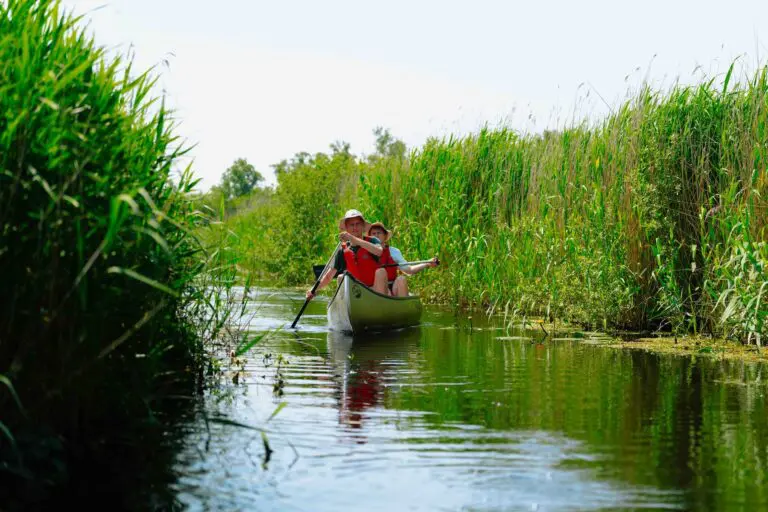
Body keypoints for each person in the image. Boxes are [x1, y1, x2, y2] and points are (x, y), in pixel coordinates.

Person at [305, 209, 389, 300]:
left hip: (375, 290)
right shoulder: (342, 250)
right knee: (341, 277)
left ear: (362, 226)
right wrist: (313, 290)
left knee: (381, 272)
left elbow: (379, 251)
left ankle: (380, 306)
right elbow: (329, 276)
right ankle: (345, 308)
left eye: (358, 224)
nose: (355, 227)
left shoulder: (373, 240)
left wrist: (353, 239)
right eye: (351, 225)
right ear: (347, 228)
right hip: (356, 294)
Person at [367, 222, 438, 297]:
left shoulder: (394, 251)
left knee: (401, 279)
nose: (376, 235)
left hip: (392, 286)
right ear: (370, 237)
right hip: (374, 288)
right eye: (373, 233)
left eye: (379, 233)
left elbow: (409, 270)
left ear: (385, 236)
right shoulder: (365, 251)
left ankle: (402, 305)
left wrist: (427, 263)